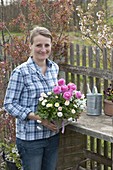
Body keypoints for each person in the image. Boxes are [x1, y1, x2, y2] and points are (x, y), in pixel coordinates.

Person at [3, 26, 60, 170]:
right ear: (31, 46)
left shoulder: (54, 68)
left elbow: (55, 98)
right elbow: (9, 104)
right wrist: (37, 117)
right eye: (38, 45)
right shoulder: (21, 72)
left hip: (52, 135)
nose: (43, 49)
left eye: (47, 45)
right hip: (31, 139)